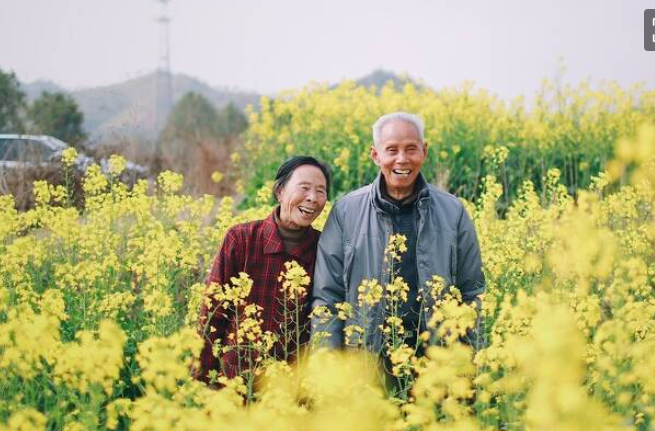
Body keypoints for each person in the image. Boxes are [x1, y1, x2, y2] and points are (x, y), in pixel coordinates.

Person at [311, 112, 485, 354]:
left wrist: (472, 363)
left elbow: (473, 293)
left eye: (411, 149)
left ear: (424, 151)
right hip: (366, 361)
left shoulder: (453, 211)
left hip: (437, 360)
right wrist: (327, 364)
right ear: (375, 155)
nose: (402, 160)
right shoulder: (346, 212)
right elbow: (327, 298)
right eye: (391, 150)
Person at [196, 156, 330, 384]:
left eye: (321, 191)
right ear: (279, 191)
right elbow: (213, 314)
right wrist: (199, 382)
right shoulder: (241, 239)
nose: (312, 198)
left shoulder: (325, 248)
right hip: (234, 383)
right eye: (304, 188)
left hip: (290, 392)